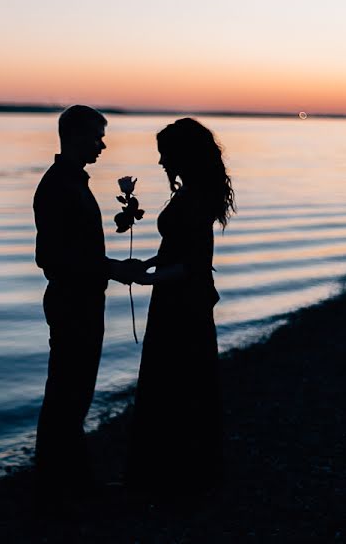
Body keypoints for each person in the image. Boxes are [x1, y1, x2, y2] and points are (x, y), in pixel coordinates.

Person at [32, 105, 140, 506]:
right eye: (97, 136)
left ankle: (66, 485)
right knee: (67, 397)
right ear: (75, 136)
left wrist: (117, 267)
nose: (103, 144)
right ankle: (59, 491)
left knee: (72, 396)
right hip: (71, 304)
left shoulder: (72, 182)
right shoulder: (59, 185)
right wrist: (114, 269)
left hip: (82, 302)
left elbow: (76, 251)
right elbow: (52, 256)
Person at [126, 118, 235, 498]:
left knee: (178, 384)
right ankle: (179, 472)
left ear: (181, 155)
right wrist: (151, 264)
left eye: (164, 155)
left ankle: (179, 477)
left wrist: (146, 279)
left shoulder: (195, 198)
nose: (159, 163)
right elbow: (179, 250)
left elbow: (192, 265)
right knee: (180, 383)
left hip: (183, 306)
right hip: (178, 298)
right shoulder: (191, 193)